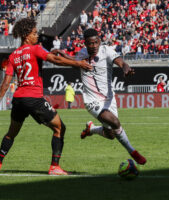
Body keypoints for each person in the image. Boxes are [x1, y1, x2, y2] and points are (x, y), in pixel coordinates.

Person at [0, 17, 92, 175]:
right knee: (60, 128)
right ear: (26, 35)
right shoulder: (35, 49)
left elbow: (6, 81)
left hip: (18, 99)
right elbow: (55, 60)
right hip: (33, 98)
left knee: (11, 134)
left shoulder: (13, 55)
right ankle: (54, 167)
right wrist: (78, 64)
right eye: (34, 33)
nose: (37, 36)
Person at [53, 28, 146, 165]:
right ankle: (133, 152)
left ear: (99, 41)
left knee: (111, 135)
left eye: (96, 42)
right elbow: (74, 61)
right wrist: (62, 53)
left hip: (109, 99)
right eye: (90, 43)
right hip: (92, 100)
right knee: (115, 122)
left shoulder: (106, 51)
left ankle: (92, 129)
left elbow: (121, 62)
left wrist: (125, 68)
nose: (94, 46)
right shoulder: (82, 54)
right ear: (85, 43)